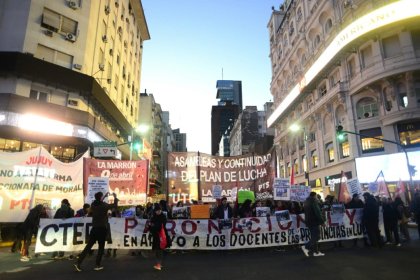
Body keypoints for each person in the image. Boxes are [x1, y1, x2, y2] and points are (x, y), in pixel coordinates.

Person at [74, 192, 118, 272]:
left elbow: (98, 201)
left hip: (94, 229)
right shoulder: (104, 205)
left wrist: (104, 196)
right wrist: (115, 197)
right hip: (102, 229)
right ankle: (97, 265)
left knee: (88, 247)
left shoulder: (93, 204)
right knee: (101, 248)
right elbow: (114, 205)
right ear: (101, 197)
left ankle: (78, 262)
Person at [301, 192, 325, 257]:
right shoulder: (313, 201)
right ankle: (306, 247)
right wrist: (322, 222)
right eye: (316, 196)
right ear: (314, 196)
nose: (317, 197)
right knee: (317, 237)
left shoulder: (306, 202)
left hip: (309, 222)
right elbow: (317, 212)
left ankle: (316, 252)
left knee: (313, 237)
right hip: (314, 222)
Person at [149, 203, 171, 270]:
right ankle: (159, 264)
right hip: (157, 235)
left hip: (161, 235)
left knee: (159, 250)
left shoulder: (162, 217)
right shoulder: (154, 216)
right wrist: (152, 225)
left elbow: (159, 226)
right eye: (157, 210)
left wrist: (153, 225)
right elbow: (152, 224)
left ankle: (158, 264)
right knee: (159, 250)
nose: (158, 212)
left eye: (159, 210)